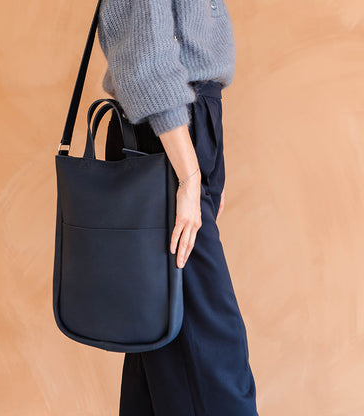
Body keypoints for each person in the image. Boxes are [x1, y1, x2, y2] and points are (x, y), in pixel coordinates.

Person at [97, 0, 259, 414]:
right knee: (213, 359)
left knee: (161, 346)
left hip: (187, 131)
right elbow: (147, 61)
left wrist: (206, 163)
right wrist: (189, 174)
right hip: (166, 139)